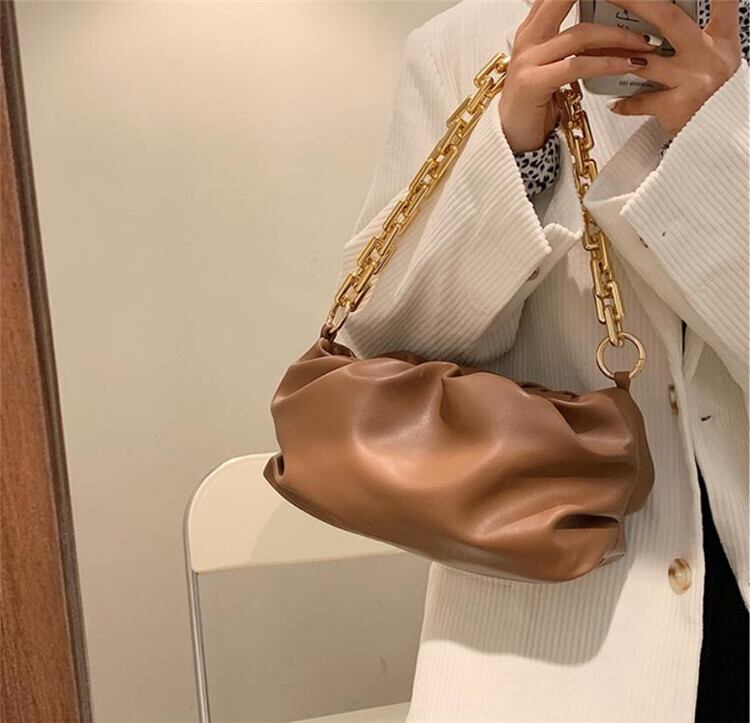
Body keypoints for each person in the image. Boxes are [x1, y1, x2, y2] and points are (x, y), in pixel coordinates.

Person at [333, 1, 749, 721]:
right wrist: (510, 161)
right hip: (546, 634)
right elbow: (389, 348)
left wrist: (722, 147)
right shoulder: (464, 46)